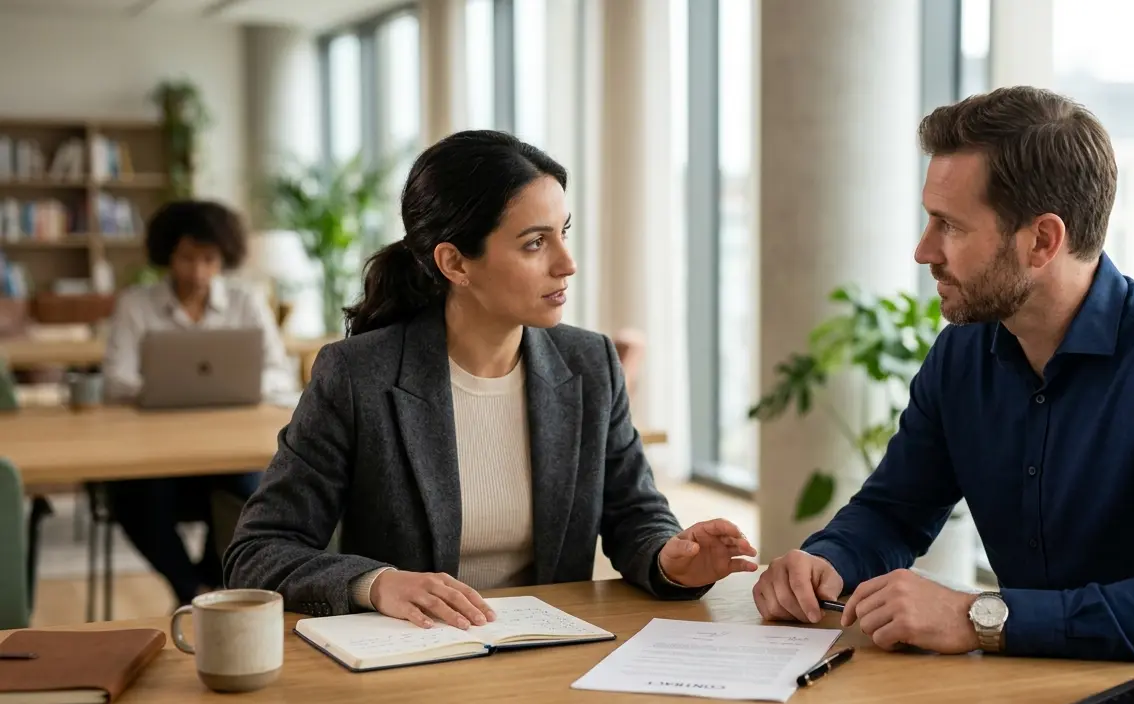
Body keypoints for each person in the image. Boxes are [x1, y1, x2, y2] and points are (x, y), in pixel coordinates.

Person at [752, 86, 1134, 661]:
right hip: (1014, 688)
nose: (924, 251)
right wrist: (826, 561)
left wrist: (981, 617)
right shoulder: (962, 355)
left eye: (949, 226)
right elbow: (892, 512)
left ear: (1043, 241)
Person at [224, 130, 757, 628]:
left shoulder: (588, 362)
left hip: (545, 657)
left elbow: (634, 515)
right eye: (534, 243)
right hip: (407, 665)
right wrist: (376, 584)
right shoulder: (357, 375)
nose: (567, 263)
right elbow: (259, 550)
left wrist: (672, 559)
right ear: (455, 262)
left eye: (563, 233)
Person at [102, 199, 294, 607]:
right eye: (187, 258)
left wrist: (237, 385)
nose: (199, 272)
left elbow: (278, 372)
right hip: (153, 450)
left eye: (209, 259)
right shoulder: (136, 305)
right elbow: (116, 379)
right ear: (167, 254)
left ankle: (210, 582)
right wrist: (159, 388)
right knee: (132, 495)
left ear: (224, 257)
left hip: (228, 447)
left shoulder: (246, 302)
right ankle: (191, 590)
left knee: (258, 490)